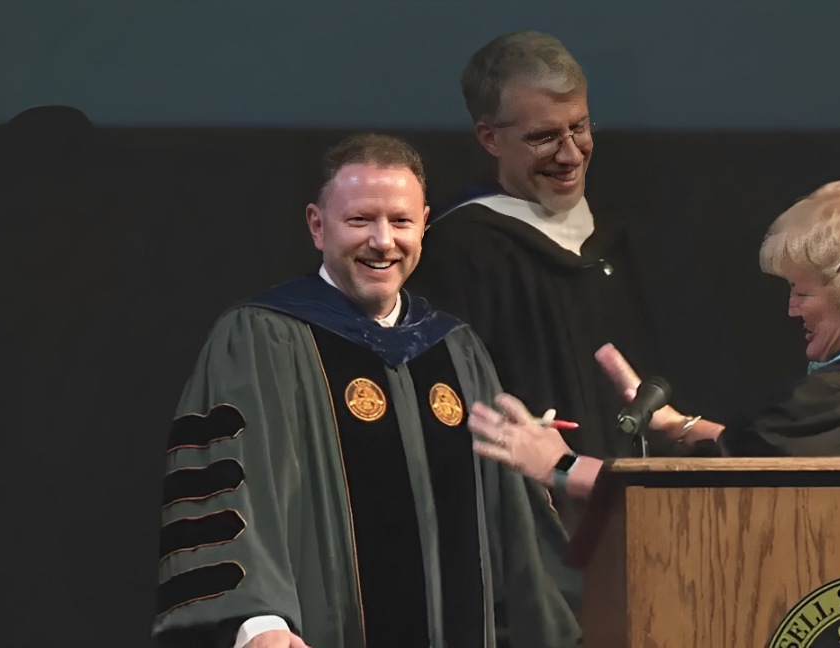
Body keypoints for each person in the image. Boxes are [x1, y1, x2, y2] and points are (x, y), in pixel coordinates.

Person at [152, 134, 580, 648]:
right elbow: (226, 492)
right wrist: (259, 624)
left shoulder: (456, 350)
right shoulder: (261, 339)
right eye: (359, 220)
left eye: (400, 221)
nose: (383, 241)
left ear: (423, 223)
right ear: (317, 225)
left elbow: (512, 522)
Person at [469, 179, 840, 499]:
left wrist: (559, 466)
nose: (791, 309)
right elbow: (777, 454)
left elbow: (705, 491)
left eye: (801, 291)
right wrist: (677, 425)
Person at [406, 31, 709, 526]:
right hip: (526, 532)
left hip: (642, 519)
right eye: (543, 137)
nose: (570, 155)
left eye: (580, 128)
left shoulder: (625, 244)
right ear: (490, 138)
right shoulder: (459, 252)